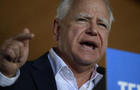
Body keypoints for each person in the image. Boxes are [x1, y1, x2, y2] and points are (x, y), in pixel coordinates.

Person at [0, 0, 114, 90]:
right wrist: (5, 75)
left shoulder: (119, 84)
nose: (93, 30)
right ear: (57, 29)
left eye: (102, 24)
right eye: (82, 19)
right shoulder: (15, 76)